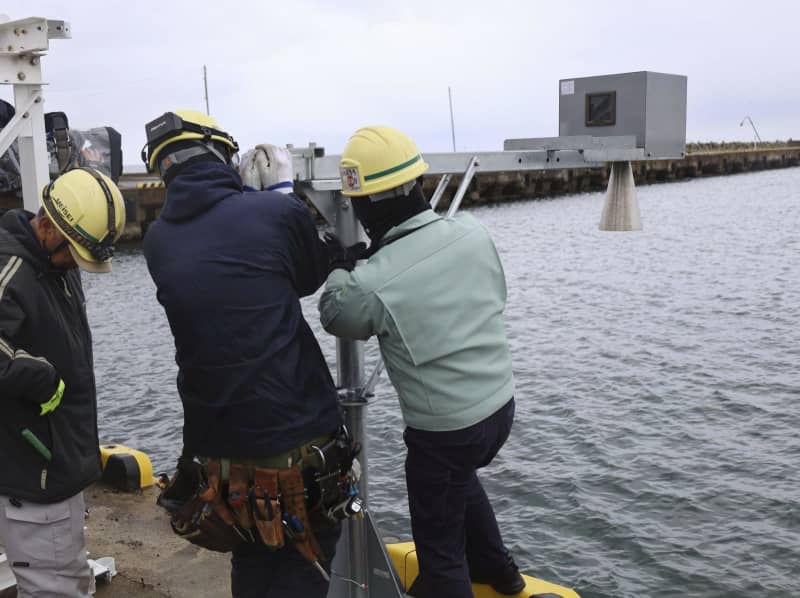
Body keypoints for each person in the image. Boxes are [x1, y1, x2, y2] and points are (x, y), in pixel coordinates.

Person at [141, 110, 350, 598]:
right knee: (304, 564)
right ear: (220, 155)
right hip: (294, 441)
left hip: (220, 456)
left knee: (253, 559)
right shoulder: (273, 214)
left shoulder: (157, 241)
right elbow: (308, 273)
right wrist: (281, 198)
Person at [319, 126, 526, 598]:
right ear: (418, 184)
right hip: (499, 409)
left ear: (366, 205)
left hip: (444, 433)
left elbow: (335, 312)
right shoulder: (472, 232)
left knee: (440, 556)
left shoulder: (373, 281)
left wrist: (340, 263)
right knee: (461, 481)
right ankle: (502, 573)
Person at [0, 167, 126, 597]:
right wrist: (34, 373)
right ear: (49, 227)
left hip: (54, 469)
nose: (78, 263)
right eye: (74, 252)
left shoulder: (55, 267)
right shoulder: (13, 271)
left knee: (65, 581)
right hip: (33, 477)